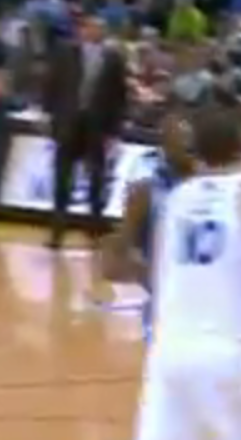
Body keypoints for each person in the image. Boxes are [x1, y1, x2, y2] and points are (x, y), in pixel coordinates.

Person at [134, 105, 241, 440]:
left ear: (195, 147)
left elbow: (157, 285)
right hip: (228, 352)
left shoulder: (175, 200)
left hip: (169, 351)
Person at [101, 112, 196, 337]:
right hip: (167, 311)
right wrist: (152, 275)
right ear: (165, 146)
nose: (189, 146)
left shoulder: (222, 192)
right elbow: (114, 266)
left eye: (192, 142)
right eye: (182, 140)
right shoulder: (145, 192)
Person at [43, 15, 128, 249]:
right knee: (62, 179)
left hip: (96, 126)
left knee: (96, 181)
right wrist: (48, 115)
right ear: (81, 30)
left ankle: (94, 233)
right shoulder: (65, 52)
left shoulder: (114, 59)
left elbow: (119, 98)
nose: (94, 31)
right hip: (68, 123)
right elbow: (51, 84)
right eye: (89, 27)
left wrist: (114, 131)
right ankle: (57, 232)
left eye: (99, 28)